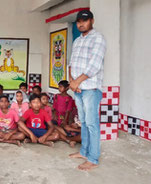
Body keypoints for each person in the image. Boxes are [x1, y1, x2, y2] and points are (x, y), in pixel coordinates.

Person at [68, 10, 106, 171]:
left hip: (90, 88)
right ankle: (84, 151)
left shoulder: (98, 39)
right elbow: (71, 63)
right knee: (83, 122)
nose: (81, 24)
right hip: (77, 89)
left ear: (92, 21)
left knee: (91, 123)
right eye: (78, 22)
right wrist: (71, 81)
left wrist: (77, 82)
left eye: (84, 21)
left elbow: (95, 66)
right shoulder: (77, 41)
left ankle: (93, 158)